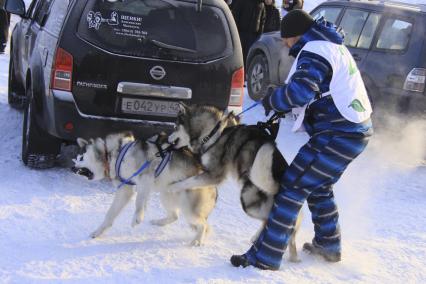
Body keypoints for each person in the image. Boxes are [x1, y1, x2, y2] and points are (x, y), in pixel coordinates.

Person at [231, 9, 373, 270]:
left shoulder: (315, 50)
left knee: (291, 188)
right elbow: (315, 91)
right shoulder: (330, 46)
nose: (285, 45)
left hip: (338, 133)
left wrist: (273, 99)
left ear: (297, 35)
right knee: (318, 187)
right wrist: (284, 103)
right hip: (354, 131)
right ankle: (328, 246)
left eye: (287, 40)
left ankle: (265, 257)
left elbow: (300, 91)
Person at [231, 0, 266, 68]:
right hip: (240, 33)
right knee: (238, 55)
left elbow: (262, 20)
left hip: (253, 36)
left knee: (249, 56)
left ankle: (245, 73)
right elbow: (235, 15)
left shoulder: (261, 4)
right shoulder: (242, 1)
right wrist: (235, 32)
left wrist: (260, 34)